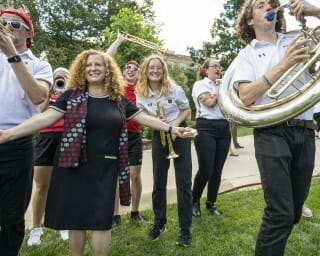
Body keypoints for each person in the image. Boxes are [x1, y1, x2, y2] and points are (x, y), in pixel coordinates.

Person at [0, 49, 187, 256]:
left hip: (106, 167)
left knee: (102, 221)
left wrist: (170, 128)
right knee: (76, 219)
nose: (93, 68)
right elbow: (46, 118)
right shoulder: (71, 96)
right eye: (88, 65)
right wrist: (9, 134)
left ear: (107, 70)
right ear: (82, 69)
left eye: (98, 64)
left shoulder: (117, 99)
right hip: (74, 165)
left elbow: (142, 117)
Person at [233, 0, 320, 256]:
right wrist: (285, 64)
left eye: (271, 4)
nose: (269, 6)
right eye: (261, 5)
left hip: (305, 131)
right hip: (271, 132)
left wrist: (315, 10)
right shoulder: (246, 55)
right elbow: (246, 96)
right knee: (279, 213)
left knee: (292, 212)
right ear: (250, 19)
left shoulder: (296, 37)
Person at [0, 9, 52, 256]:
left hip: (16, 142)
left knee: (11, 215)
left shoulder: (40, 64)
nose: (7, 26)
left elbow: (39, 96)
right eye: (3, 23)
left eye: (14, 24)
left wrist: (12, 54)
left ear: (28, 33)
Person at [135, 54, 193, 247]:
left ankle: (185, 230)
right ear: (146, 70)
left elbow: (186, 109)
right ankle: (159, 224)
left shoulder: (173, 88)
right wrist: (164, 128)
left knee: (183, 183)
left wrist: (174, 128)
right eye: (151, 67)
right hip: (159, 136)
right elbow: (142, 117)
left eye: (158, 67)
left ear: (163, 70)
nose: (155, 70)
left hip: (180, 133)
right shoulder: (141, 92)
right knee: (159, 182)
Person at [106, 33, 146, 227]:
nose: (131, 70)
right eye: (128, 68)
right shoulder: (116, 85)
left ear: (139, 73)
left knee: (135, 175)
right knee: (115, 176)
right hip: (116, 135)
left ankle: (135, 211)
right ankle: (115, 215)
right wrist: (119, 41)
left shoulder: (142, 89)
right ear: (123, 71)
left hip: (135, 135)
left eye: (135, 69)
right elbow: (105, 59)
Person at [27, 67, 70, 246]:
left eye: (64, 78)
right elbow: (39, 114)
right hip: (45, 140)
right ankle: (36, 228)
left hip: (66, 139)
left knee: (64, 186)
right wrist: (49, 94)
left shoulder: (72, 94)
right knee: (41, 186)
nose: (60, 80)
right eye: (57, 78)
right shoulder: (46, 93)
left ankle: (62, 223)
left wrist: (66, 93)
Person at [191, 58, 231, 218]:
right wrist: (220, 87)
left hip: (223, 127)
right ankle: (194, 200)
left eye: (219, 66)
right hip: (206, 126)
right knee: (206, 168)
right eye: (214, 66)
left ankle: (211, 202)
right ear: (206, 70)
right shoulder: (201, 84)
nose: (218, 68)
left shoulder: (222, 85)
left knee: (217, 169)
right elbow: (209, 102)